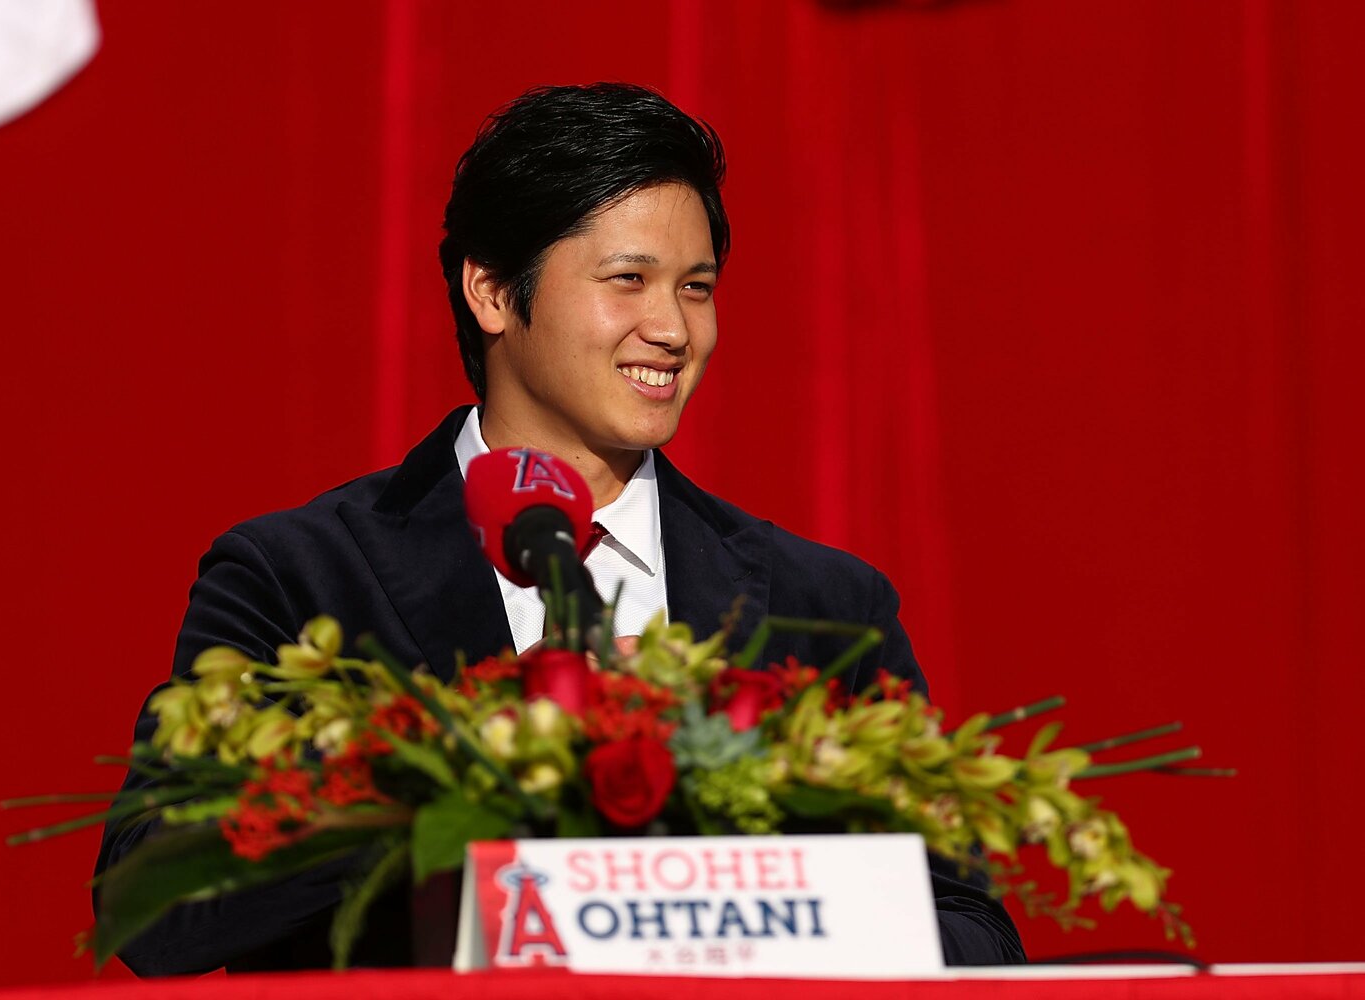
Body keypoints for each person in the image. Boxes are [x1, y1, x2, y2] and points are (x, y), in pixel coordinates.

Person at [96, 82, 1026, 975]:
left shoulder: (829, 606)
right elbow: (149, 903)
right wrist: (456, 754)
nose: (672, 329)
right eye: (628, 280)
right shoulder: (298, 575)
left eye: (697, 288)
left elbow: (969, 924)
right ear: (494, 292)